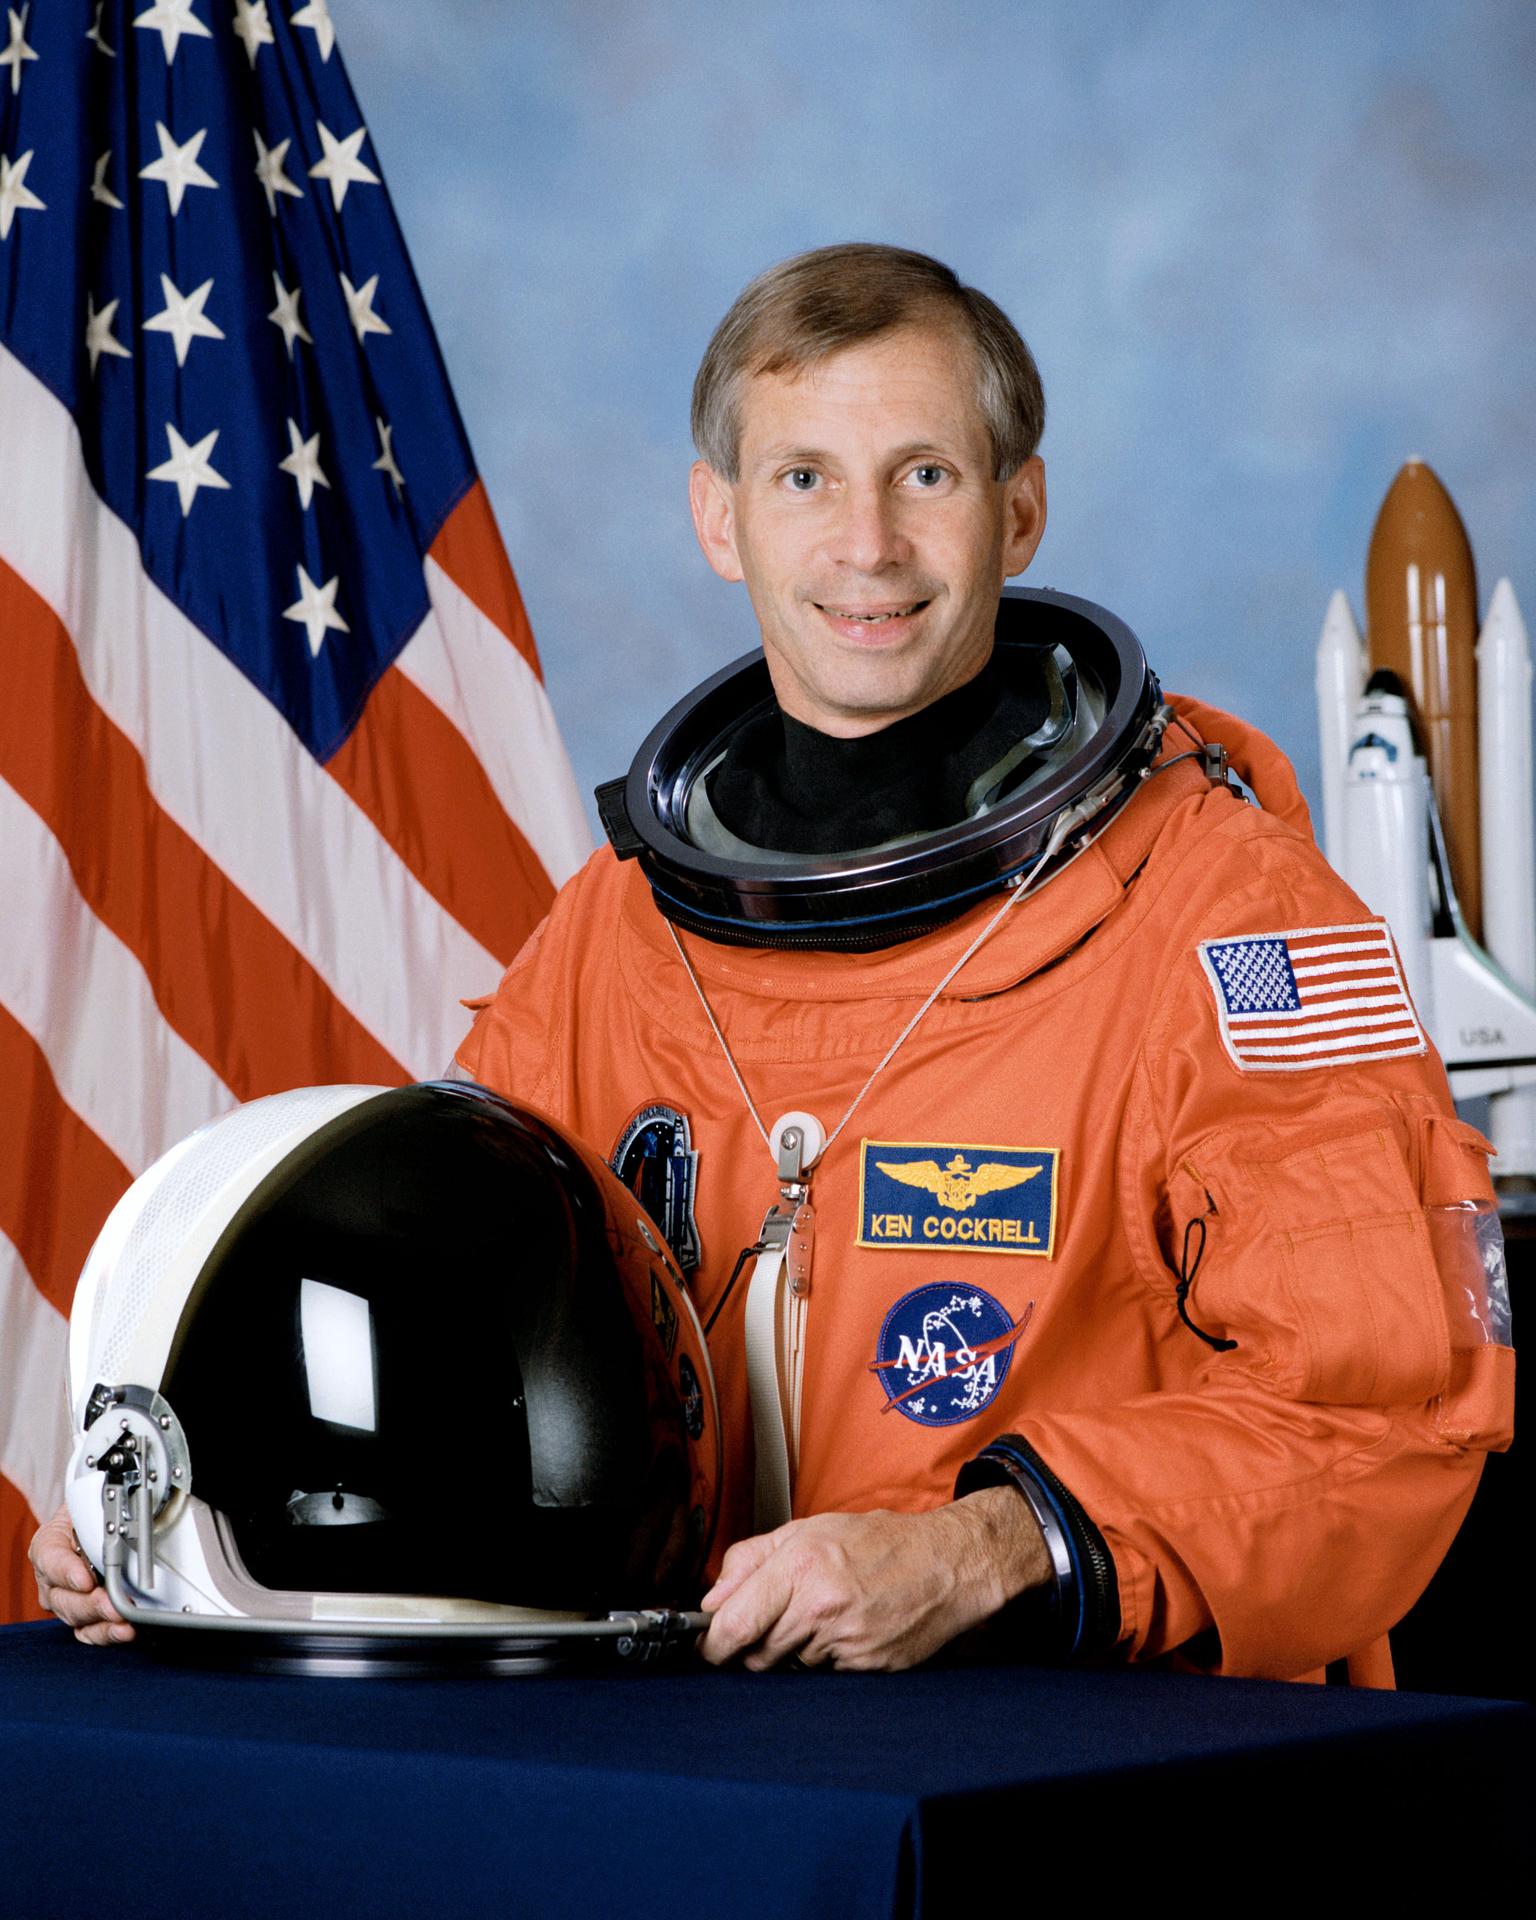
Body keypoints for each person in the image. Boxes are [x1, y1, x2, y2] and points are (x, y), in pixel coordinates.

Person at [33, 244, 1512, 1679]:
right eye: (805, 478)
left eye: (924, 475)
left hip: (1094, 1767)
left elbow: (1380, 1420)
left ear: (1020, 510)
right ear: (720, 519)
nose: (867, 547)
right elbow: (450, 1349)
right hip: (698, 1768)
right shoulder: (618, 934)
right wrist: (198, 1527)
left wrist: (997, 1546)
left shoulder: (1233, 920)